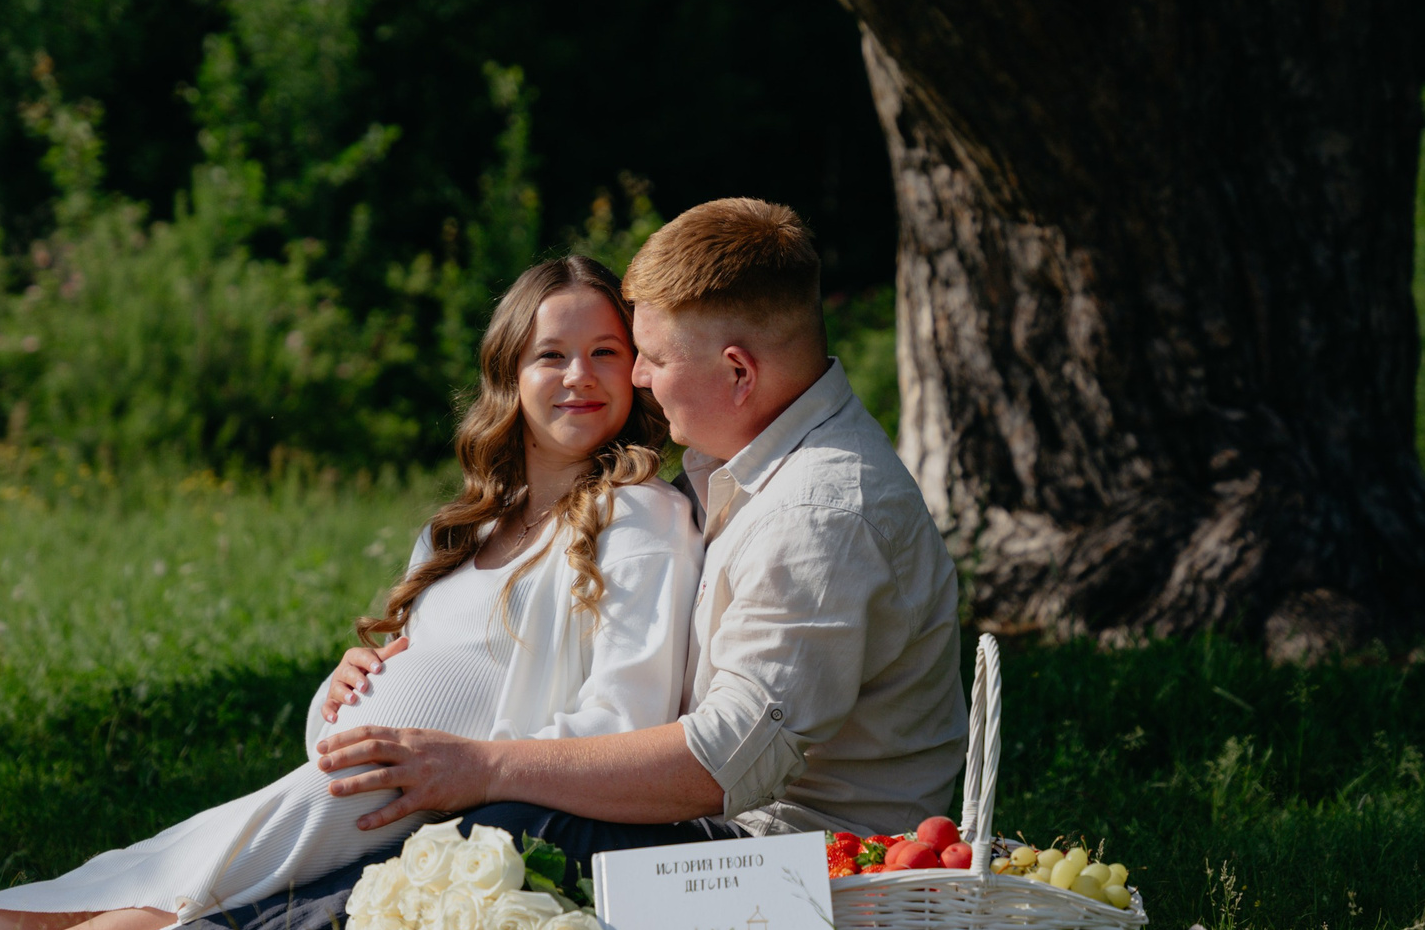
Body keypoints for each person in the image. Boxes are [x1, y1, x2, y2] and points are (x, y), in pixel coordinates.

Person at [0, 254, 701, 930]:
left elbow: (626, 711)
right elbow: (339, 730)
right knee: (138, 871)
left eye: (605, 353)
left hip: (464, 802)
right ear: (507, 377)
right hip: (358, 784)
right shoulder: (454, 530)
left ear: (634, 373)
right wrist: (342, 690)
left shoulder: (640, 520)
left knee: (167, 875)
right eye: (550, 356)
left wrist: (472, 763)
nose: (577, 378)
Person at [313, 197, 966, 878]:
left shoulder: (820, 513)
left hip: (794, 867)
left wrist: (484, 765)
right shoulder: (736, 469)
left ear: (739, 372)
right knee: (463, 818)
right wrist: (388, 683)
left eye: (652, 356)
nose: (638, 377)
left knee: (498, 835)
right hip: (716, 831)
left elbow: (722, 763)